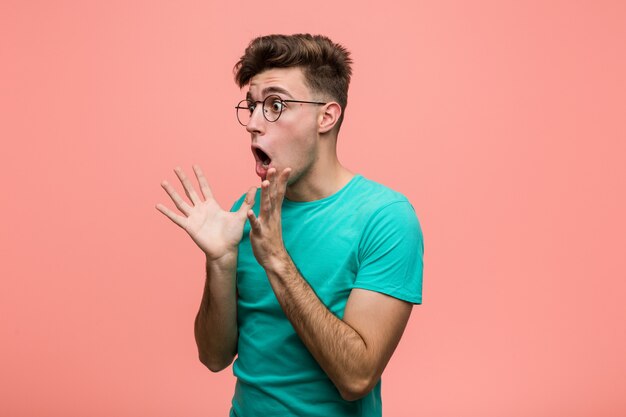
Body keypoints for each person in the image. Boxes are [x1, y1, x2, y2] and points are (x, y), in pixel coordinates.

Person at [156, 33, 424, 417]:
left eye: (276, 105)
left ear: (326, 117)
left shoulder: (386, 218)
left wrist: (278, 261)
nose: (252, 123)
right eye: (251, 106)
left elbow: (356, 378)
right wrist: (220, 260)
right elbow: (213, 357)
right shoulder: (245, 212)